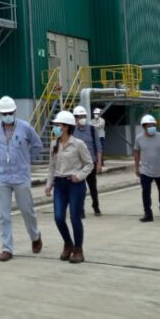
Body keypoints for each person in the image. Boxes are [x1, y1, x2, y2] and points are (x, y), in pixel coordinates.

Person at [0, 95, 44, 261]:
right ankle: (7, 248)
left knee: (27, 211)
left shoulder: (25, 127)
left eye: (10, 112)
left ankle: (35, 236)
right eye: (4, 113)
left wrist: (26, 159)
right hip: (2, 177)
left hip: (21, 176)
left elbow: (38, 145)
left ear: (15, 111)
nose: (7, 116)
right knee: (4, 215)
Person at [45, 110, 93, 264]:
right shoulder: (54, 145)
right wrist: (49, 184)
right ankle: (68, 243)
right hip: (59, 184)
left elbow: (89, 164)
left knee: (74, 218)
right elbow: (52, 167)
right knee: (58, 217)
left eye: (58, 125)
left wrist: (79, 176)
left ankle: (78, 249)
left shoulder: (78, 144)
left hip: (75, 185)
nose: (55, 128)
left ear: (66, 127)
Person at [134, 114, 160, 221]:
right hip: (145, 170)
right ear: (144, 127)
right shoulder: (139, 138)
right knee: (145, 191)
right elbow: (136, 152)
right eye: (149, 125)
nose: (151, 127)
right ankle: (147, 213)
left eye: (153, 125)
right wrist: (136, 167)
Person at [72, 105, 103, 217]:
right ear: (75, 118)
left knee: (93, 187)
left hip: (90, 163)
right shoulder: (72, 130)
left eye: (84, 116)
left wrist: (99, 163)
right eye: (80, 116)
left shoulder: (91, 129)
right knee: (80, 189)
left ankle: (96, 207)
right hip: (77, 165)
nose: (82, 118)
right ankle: (81, 210)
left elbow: (98, 146)